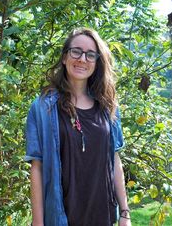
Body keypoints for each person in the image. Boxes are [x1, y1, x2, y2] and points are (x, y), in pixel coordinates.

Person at [25, 27, 131, 226]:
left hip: (103, 216)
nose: (82, 59)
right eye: (76, 51)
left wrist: (125, 212)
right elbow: (36, 167)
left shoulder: (107, 106)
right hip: (62, 218)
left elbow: (115, 160)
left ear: (97, 62)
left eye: (90, 54)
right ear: (65, 57)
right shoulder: (42, 107)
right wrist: (38, 223)